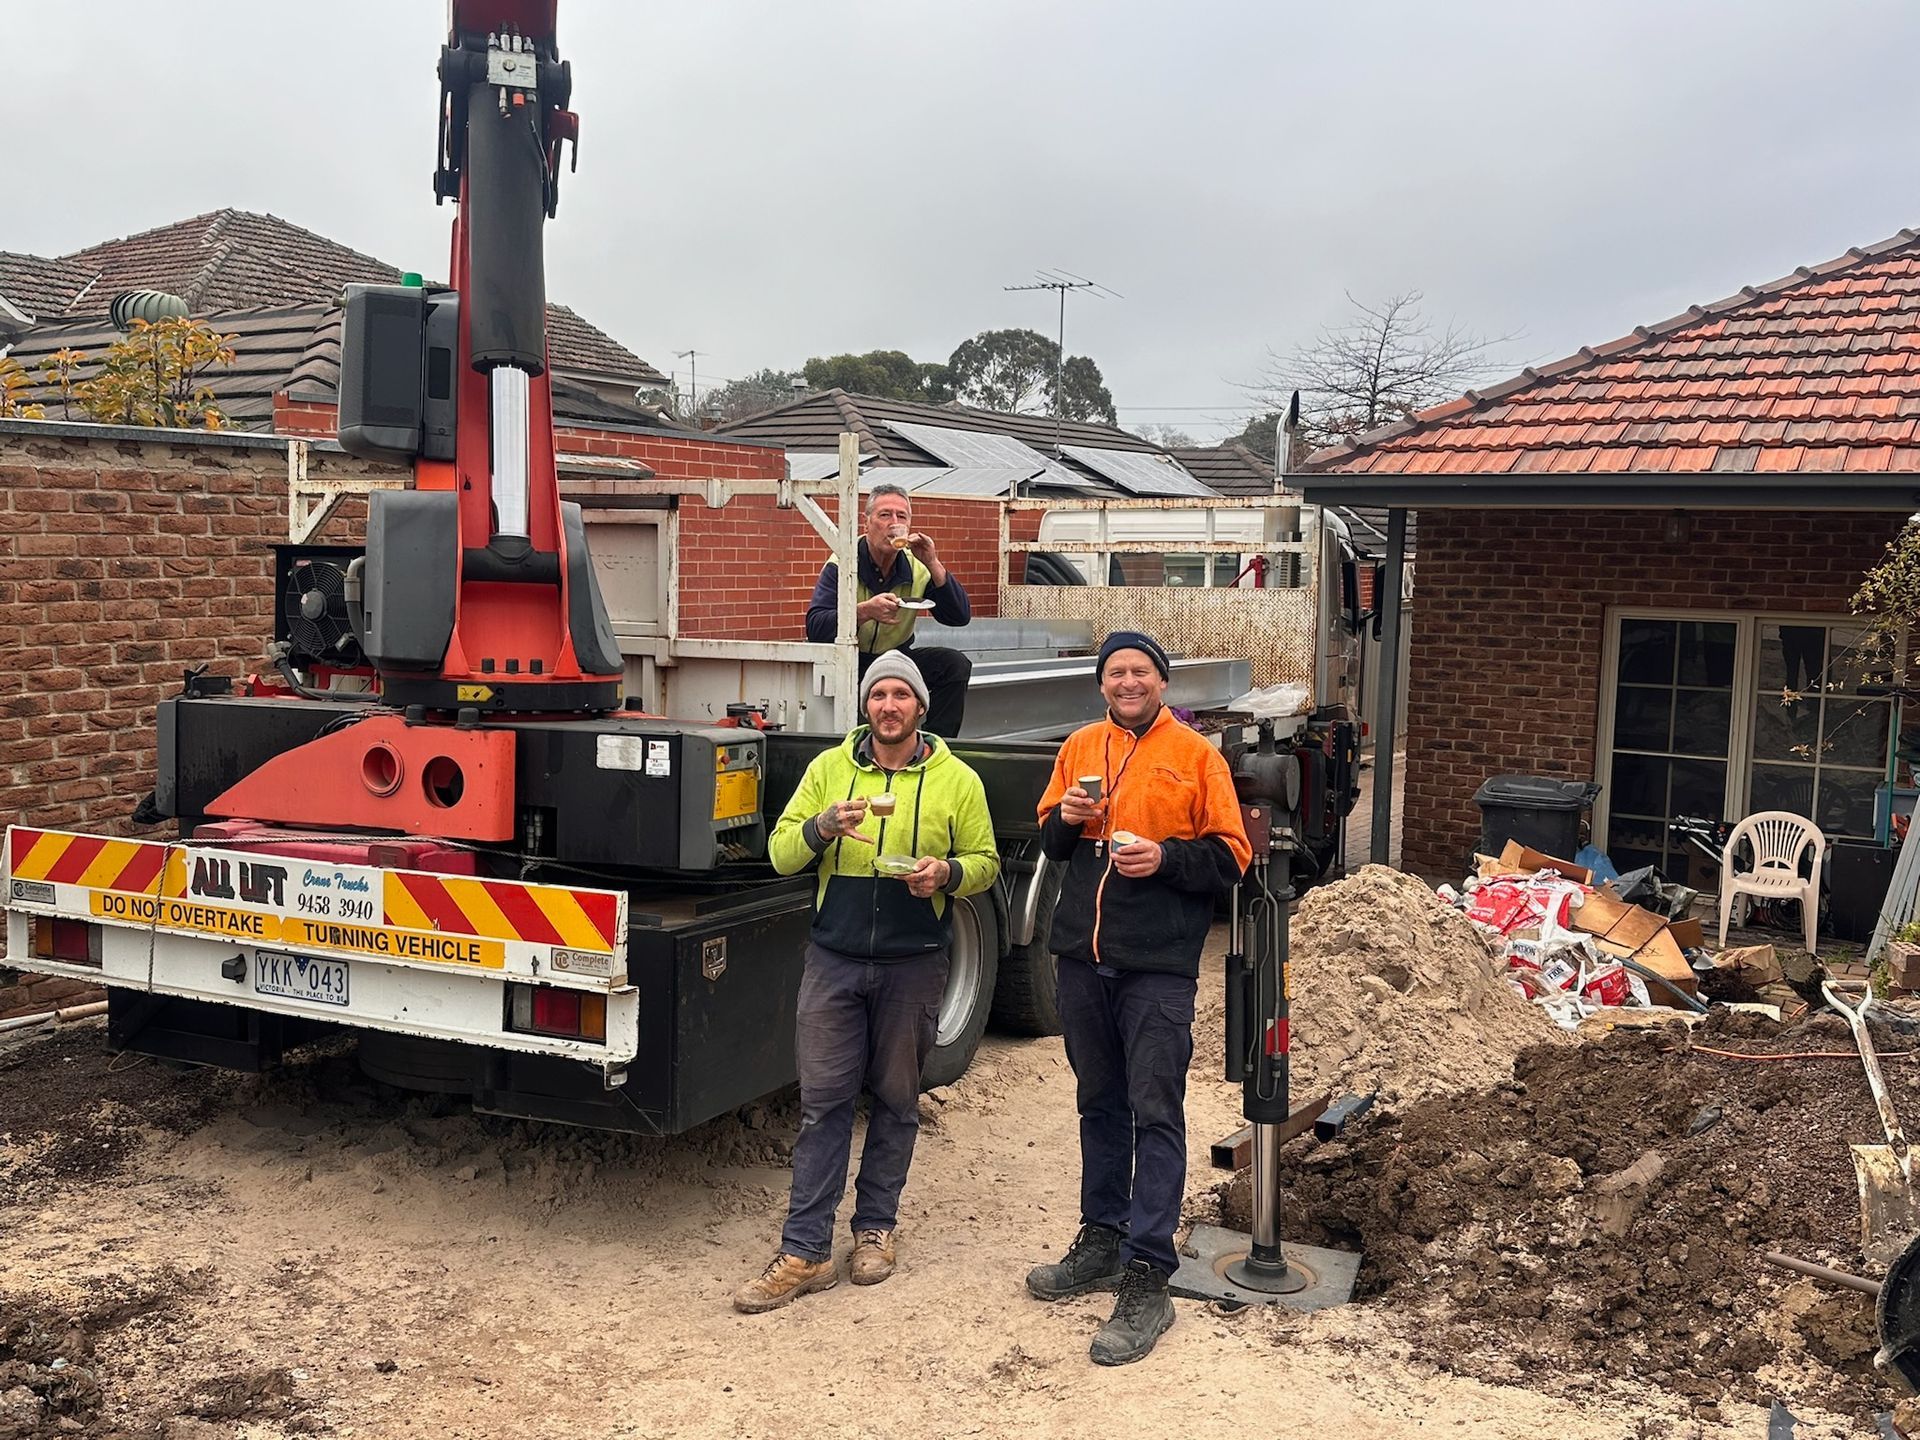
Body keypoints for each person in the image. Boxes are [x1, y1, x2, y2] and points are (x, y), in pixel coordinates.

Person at [733, 651, 1000, 1314]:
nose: (888, 705)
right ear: (865, 705)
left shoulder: (956, 780)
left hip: (914, 962)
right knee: (823, 1104)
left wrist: (946, 875)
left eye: (900, 696)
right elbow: (779, 853)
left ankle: (875, 1228)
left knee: (896, 1100)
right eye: (878, 694)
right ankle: (805, 1251)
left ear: (919, 708)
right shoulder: (829, 770)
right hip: (835, 961)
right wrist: (824, 826)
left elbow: (988, 863)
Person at [1025, 630, 1250, 1365]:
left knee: (1155, 1113)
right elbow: (1052, 844)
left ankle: (1149, 1272)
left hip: (1157, 965)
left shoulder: (1196, 755)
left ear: (1162, 681)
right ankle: (1102, 1238)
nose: (1129, 682)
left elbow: (1231, 857)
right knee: (1099, 1103)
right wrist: (1064, 819)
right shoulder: (1080, 746)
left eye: (1141, 671)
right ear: (1102, 684)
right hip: (1083, 960)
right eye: (1116, 672)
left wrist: (1164, 858)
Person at [806, 483, 974, 738]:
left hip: (898, 659)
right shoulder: (843, 563)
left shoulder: (917, 565)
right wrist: (864, 612)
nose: (893, 523)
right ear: (867, 523)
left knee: (954, 665)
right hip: (852, 662)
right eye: (885, 515)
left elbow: (959, 616)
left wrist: (932, 561)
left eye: (901, 516)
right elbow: (816, 627)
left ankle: (939, 746)